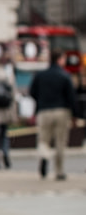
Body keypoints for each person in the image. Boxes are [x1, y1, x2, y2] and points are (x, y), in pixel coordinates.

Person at [30, 52, 76, 180]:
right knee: (60, 142)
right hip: (61, 110)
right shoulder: (65, 76)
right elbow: (71, 97)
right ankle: (59, 171)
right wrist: (75, 114)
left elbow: (32, 92)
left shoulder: (40, 75)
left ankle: (44, 157)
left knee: (43, 140)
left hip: (44, 111)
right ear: (60, 59)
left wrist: (41, 101)